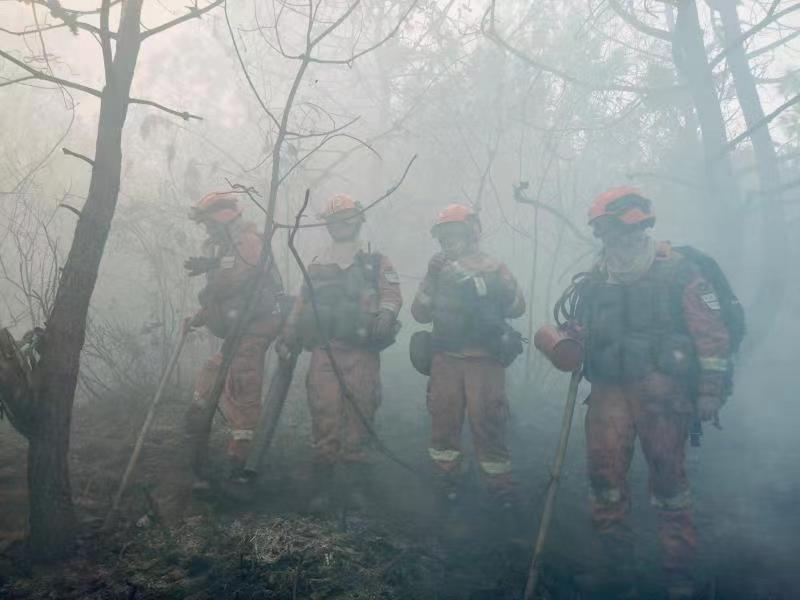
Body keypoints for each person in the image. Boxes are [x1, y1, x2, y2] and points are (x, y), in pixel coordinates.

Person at [564, 187, 732, 598]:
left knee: (669, 482)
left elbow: (710, 334)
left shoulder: (679, 270)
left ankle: (679, 576)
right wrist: (569, 341)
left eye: (609, 227)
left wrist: (710, 389)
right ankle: (617, 572)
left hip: (662, 393)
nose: (607, 237)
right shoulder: (598, 275)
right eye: (601, 230)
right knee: (603, 478)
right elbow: (588, 328)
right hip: (607, 392)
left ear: (634, 222)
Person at [278, 194, 402, 510]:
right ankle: (323, 482)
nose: (341, 225)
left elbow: (391, 294)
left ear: (359, 219)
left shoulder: (375, 260)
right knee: (324, 408)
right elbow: (301, 300)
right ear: (328, 225)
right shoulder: (317, 262)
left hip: (361, 351)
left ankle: (357, 483)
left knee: (361, 407)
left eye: (347, 217)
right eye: (335, 220)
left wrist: (386, 315)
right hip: (324, 348)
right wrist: (289, 333)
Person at [410, 204, 525, 507]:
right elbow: (419, 313)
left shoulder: (494, 266)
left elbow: (517, 307)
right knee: (444, 420)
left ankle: (500, 486)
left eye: (454, 233)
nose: (448, 241)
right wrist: (433, 279)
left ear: (472, 233)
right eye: (443, 236)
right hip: (446, 358)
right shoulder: (436, 269)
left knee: (488, 419)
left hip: (484, 360)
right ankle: (447, 478)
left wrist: (491, 288)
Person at [183, 192, 284, 489]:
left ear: (222, 216)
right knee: (210, 375)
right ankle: (196, 440)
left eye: (207, 222)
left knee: (243, 385)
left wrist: (213, 272)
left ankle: (238, 464)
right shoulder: (225, 245)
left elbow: (240, 278)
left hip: (256, 326)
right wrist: (199, 316)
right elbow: (222, 292)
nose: (206, 229)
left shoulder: (249, 241)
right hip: (238, 329)